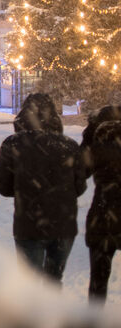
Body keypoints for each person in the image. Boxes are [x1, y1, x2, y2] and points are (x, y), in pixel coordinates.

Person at [0, 93, 87, 284]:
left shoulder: (13, 144)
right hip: (63, 225)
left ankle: (32, 313)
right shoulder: (69, 146)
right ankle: (52, 312)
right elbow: (80, 186)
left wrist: (23, 189)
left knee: (30, 284)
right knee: (53, 281)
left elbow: (2, 185)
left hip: (29, 224)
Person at [80, 105, 121, 302]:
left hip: (103, 214)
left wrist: (90, 131)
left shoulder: (98, 138)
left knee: (98, 283)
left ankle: (94, 321)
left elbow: (81, 171)